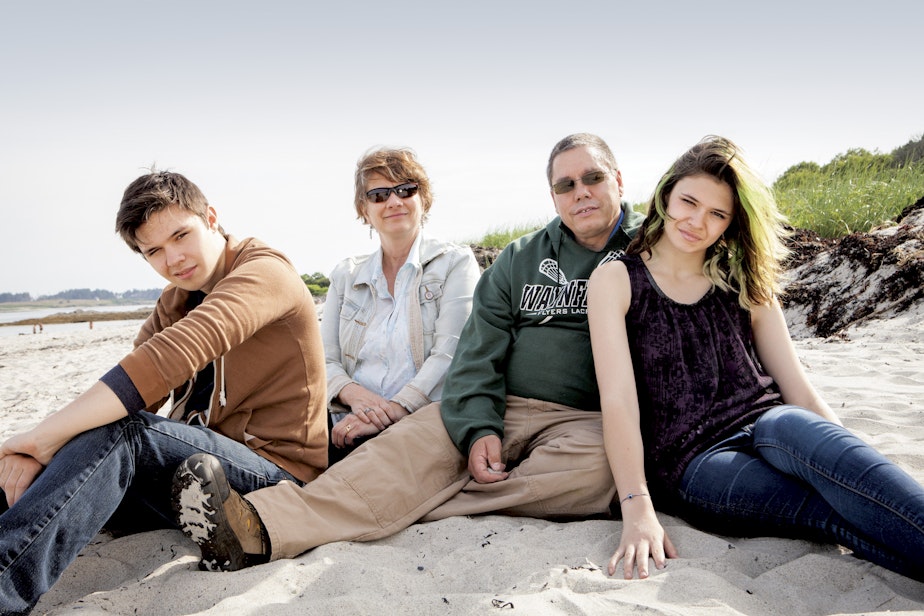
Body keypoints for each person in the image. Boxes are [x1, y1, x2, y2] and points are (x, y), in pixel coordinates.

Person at [171, 132, 645, 571]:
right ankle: (258, 526)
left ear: (618, 180)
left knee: (600, 470)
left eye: (593, 178)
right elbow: (477, 353)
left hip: (586, 417)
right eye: (565, 184)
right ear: (553, 196)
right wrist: (479, 425)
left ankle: (409, 507)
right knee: (400, 455)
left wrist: (395, 409)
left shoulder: (650, 249)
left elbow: (447, 352)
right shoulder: (521, 257)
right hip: (498, 403)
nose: (580, 191)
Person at [586, 135, 924, 582]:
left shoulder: (743, 277)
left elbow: (797, 388)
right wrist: (637, 507)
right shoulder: (616, 279)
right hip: (696, 461)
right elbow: (619, 402)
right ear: (666, 194)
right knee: (834, 510)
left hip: (773, 428)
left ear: (731, 222)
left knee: (823, 454)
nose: (696, 221)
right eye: (688, 201)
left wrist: (851, 457)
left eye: (717, 214)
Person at [0, 170, 327, 614]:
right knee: (68, 446)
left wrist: (39, 438)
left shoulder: (266, 273)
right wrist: (35, 450)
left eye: (181, 235)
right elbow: (136, 393)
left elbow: (165, 361)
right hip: (194, 475)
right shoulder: (176, 300)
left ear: (210, 218)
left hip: (275, 475)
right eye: (154, 250)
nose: (173, 259)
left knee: (123, 434)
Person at [324, 147, 480, 465]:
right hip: (348, 419)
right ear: (364, 209)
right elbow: (322, 360)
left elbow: (451, 355)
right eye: (379, 194)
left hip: (421, 420)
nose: (394, 201)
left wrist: (392, 410)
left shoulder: (455, 263)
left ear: (423, 199)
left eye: (406, 189)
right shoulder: (346, 275)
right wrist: (355, 396)